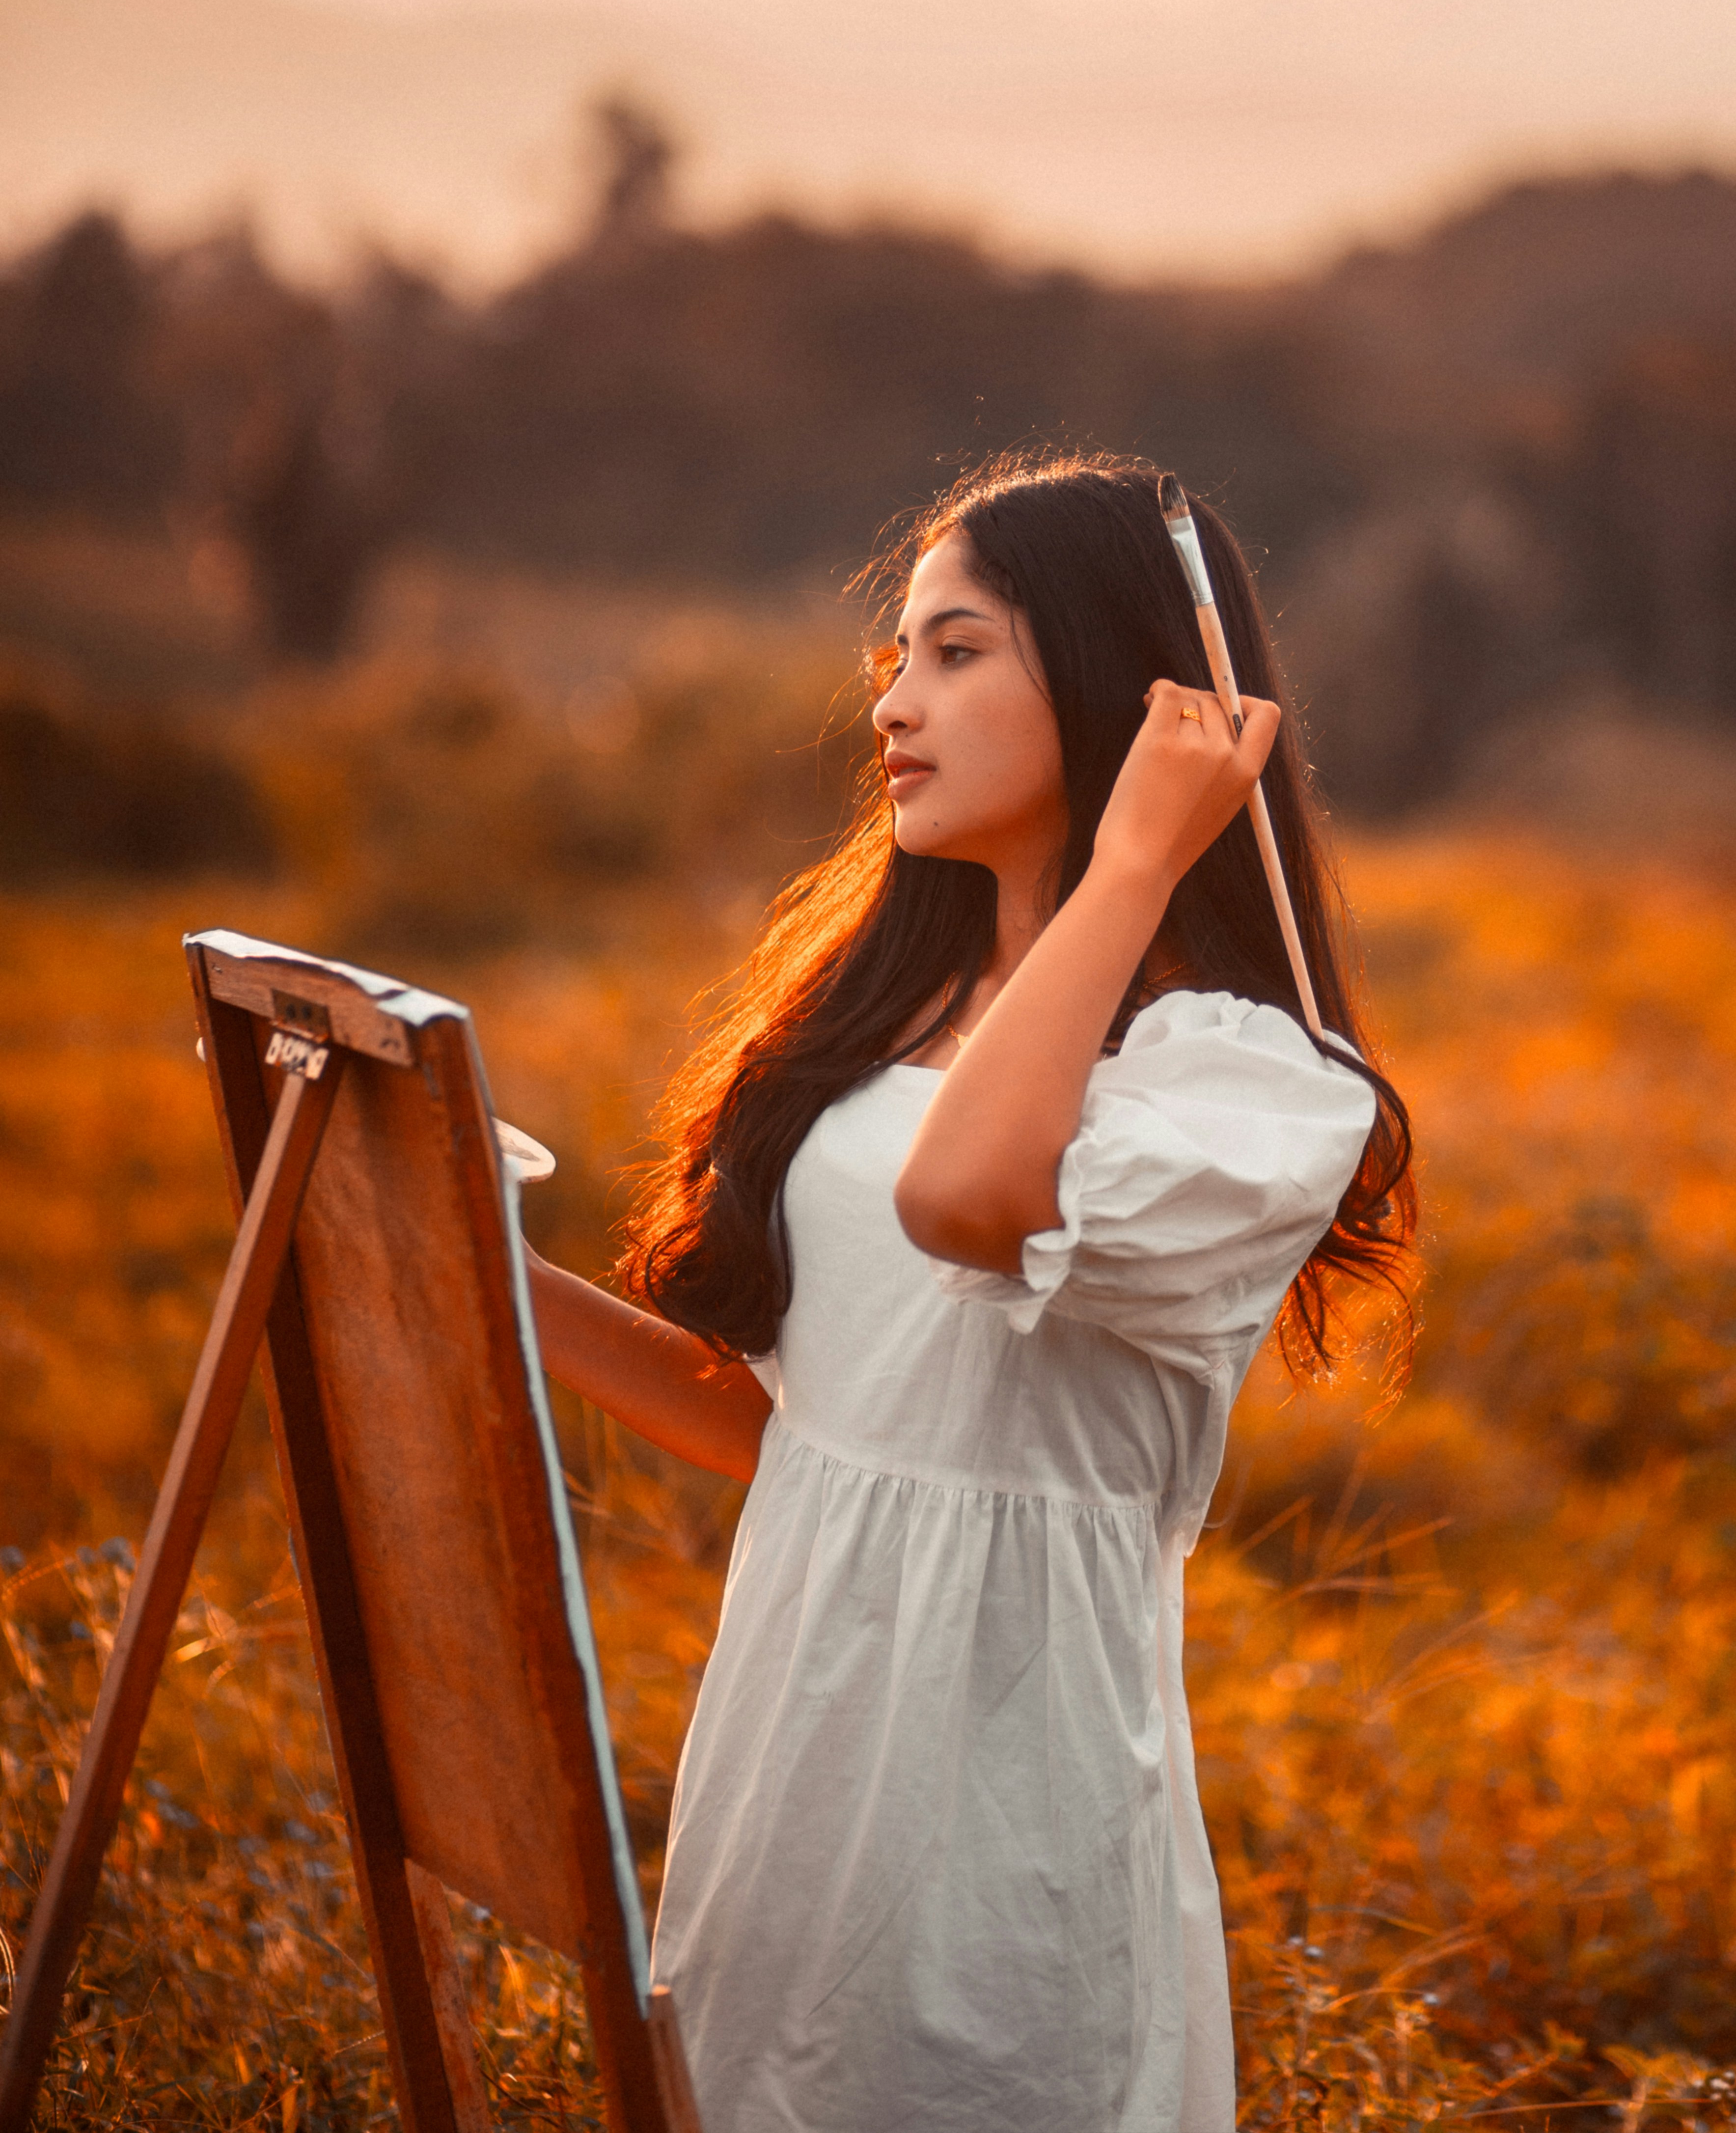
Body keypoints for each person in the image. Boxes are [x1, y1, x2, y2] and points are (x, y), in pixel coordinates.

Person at [523, 455, 1415, 2132]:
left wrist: (1137, 864)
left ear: (1122, 685)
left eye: (956, 654)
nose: (895, 707)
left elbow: (968, 1200)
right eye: (895, 661)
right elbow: (801, 1426)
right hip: (795, 1769)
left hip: (1009, 1827)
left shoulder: (1248, 1082)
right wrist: (487, 1276)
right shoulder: (893, 1019)